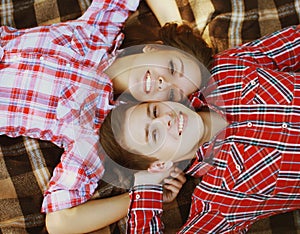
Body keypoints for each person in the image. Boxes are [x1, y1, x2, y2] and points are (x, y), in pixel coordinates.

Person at [0, 0, 207, 233]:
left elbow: (60, 224)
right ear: (156, 47)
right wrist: (182, 31)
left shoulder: (93, 129)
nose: (163, 82)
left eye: (171, 93)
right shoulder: (100, 30)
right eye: (172, 68)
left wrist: (146, 192)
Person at [99, 24, 300, 233]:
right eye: (154, 135)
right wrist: (146, 186)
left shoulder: (226, 70)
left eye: (156, 111)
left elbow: (293, 42)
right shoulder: (220, 201)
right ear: (159, 165)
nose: (165, 120)